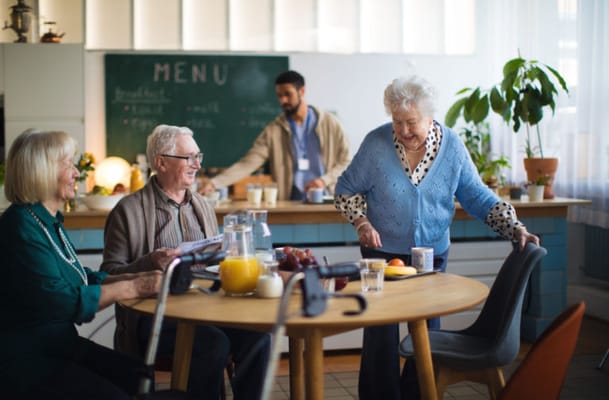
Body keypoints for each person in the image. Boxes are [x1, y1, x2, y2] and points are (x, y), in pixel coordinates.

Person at [333, 76, 541, 400]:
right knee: (380, 333)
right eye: (397, 122)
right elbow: (345, 189)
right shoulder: (375, 144)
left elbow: (477, 197)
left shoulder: (453, 147)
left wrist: (514, 226)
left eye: (411, 122)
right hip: (381, 253)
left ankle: (418, 393)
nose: (403, 131)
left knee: (427, 332)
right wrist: (361, 221)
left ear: (430, 117)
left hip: (431, 255)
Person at [101, 124, 270, 400]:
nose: (197, 164)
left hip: (208, 307)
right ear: (161, 162)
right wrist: (150, 261)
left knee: (258, 337)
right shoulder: (127, 210)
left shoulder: (202, 205)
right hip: (155, 316)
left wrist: (231, 249)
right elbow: (108, 274)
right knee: (212, 343)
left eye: (198, 156)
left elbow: (215, 261)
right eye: (189, 157)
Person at [0, 129, 162, 400]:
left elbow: (79, 277)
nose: (77, 173)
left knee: (138, 375)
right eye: (69, 165)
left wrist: (139, 278)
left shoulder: (48, 221)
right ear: (43, 170)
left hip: (59, 344)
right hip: (27, 358)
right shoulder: (20, 226)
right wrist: (135, 286)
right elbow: (59, 300)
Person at [200, 70, 351, 201]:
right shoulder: (273, 131)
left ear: (302, 91)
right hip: (291, 203)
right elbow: (247, 164)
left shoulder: (331, 123)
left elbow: (346, 161)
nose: (283, 100)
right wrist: (215, 183)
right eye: (279, 95)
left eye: (288, 94)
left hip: (326, 200)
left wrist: (324, 181)